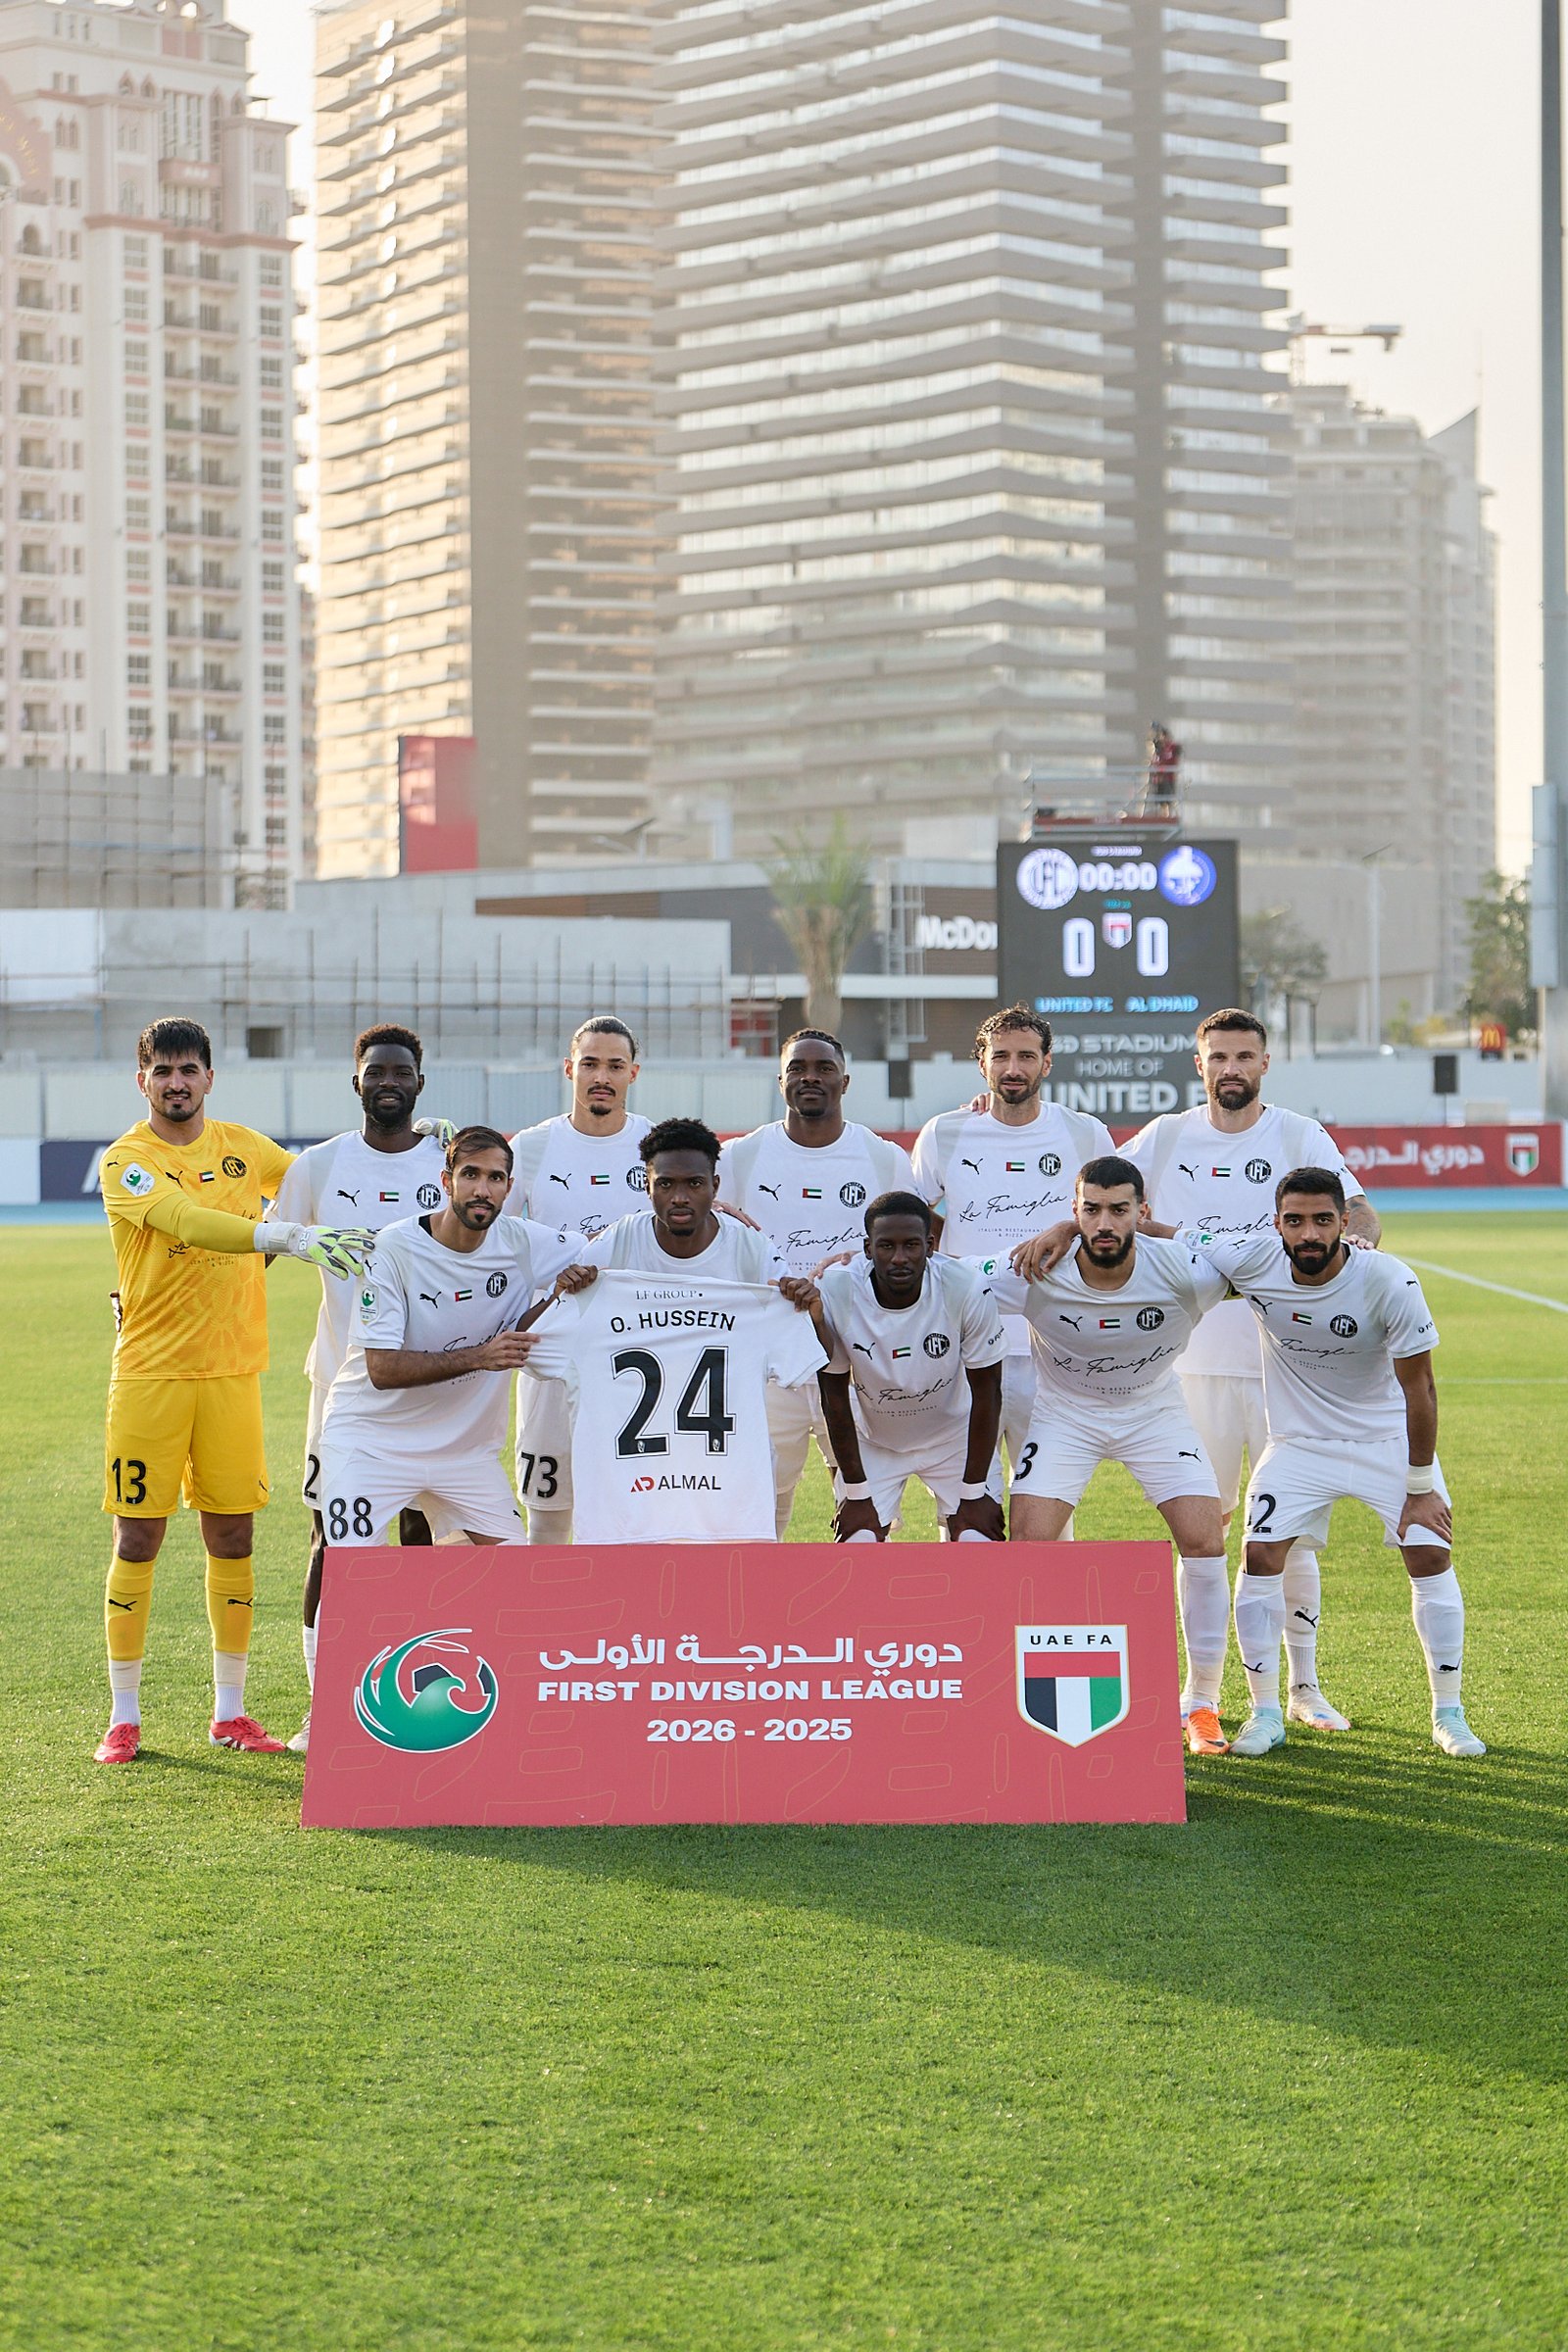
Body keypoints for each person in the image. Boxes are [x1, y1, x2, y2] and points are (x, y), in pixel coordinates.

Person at [94, 1016, 371, 1764]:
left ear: (210, 1078)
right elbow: (186, 1221)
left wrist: (420, 1149)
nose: (176, 1083)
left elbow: (323, 1177)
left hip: (232, 1373)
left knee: (234, 1536)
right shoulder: (127, 1160)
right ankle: (124, 1716)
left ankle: (230, 1712)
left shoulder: (245, 1147)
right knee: (138, 1538)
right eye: (163, 1071)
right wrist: (281, 1235)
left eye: (189, 1069)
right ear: (143, 1081)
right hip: (150, 1376)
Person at [1121, 1007, 1380, 1733]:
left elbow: (1360, 1212)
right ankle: (1200, 1692)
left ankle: (1305, 1687)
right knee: (1201, 1532)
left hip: (1287, 1371)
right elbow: (1097, 1183)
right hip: (1192, 1366)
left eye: (1244, 1056)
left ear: (1265, 1063)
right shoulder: (1167, 1136)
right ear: (1198, 1064)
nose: (1230, 1069)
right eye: (1218, 1057)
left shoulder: (1298, 1134)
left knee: (1286, 1532)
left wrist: (1359, 1252)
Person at [1176, 1168, 1485, 1761]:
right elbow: (1170, 1232)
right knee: (1260, 1555)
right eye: (1295, 1221)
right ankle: (1267, 1713)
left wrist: (1420, 1486)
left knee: (1430, 1552)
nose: (1309, 1234)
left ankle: (1449, 1713)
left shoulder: (1389, 1279)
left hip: (1383, 1440)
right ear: (1277, 1224)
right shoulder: (1255, 1259)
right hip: (1299, 1444)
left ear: (1345, 1222)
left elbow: (1420, 1388)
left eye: (1322, 1220)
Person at [990, 1156, 1236, 1755]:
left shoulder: (1182, 1270)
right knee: (1028, 1544)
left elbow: (1260, 1262)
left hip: (1154, 1413)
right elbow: (935, 1275)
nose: (1105, 1224)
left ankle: (1202, 1703)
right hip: (1065, 1415)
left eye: (1119, 1210)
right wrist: (844, 1269)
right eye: (1091, 1211)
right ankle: (1018, 1694)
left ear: (1142, 1213)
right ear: (1074, 1212)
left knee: (1205, 1539)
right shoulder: (1034, 1268)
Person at [268, 1023, 450, 1752]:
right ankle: (326, 1707)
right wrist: (294, 1239)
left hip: (429, 1386)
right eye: (376, 1072)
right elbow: (260, 1248)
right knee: (332, 1539)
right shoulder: (318, 1166)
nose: (388, 1083)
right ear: (357, 1083)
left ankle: (417, 1697)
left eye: (401, 1072)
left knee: (420, 1535)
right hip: (341, 1388)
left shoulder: (448, 1162)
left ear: (419, 1083)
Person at [523, 1118, 830, 1544]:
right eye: (665, 1184)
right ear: (646, 1185)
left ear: (715, 1186)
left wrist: (811, 1312)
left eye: (694, 1183)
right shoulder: (619, 1241)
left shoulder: (748, 1247)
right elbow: (528, 1342)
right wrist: (559, 1295)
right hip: (631, 1484)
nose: (680, 1197)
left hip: (721, 1480)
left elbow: (816, 1352)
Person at [316, 1127, 580, 1546]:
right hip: (370, 1444)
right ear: (446, 1181)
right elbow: (382, 1369)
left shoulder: (523, 1242)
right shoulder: (392, 1248)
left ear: (509, 1187)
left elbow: (604, 1250)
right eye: (470, 1174)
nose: (482, 1190)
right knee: (355, 1571)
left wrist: (560, 1293)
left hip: (464, 1454)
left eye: (495, 1178)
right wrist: (481, 1356)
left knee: (514, 1571)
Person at [718, 1031, 914, 1535]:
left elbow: (913, 1251)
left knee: (866, 1507)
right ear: (780, 1080)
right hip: (764, 1361)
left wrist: (865, 1259)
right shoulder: (738, 1157)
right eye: (797, 1068)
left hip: (856, 1357)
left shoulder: (884, 1159)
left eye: (824, 1068)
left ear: (844, 1082)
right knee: (757, 1505)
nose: (810, 1077)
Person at [912, 1003, 1111, 1483]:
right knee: (964, 1496)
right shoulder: (944, 1132)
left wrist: (1069, 1230)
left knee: (1046, 1492)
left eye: (1026, 1056)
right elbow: (911, 1220)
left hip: (1054, 1346)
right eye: (1000, 1056)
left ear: (1047, 1063)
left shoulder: (1085, 1133)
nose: (1013, 1069)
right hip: (964, 1344)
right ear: (981, 1063)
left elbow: (1116, 1219)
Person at [504, 1015, 651, 1545]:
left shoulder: (656, 1145)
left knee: (633, 1510)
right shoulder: (531, 1147)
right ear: (569, 1069)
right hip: (552, 1346)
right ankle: (544, 1600)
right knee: (548, 1510)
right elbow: (495, 1237)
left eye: (614, 1065)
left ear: (633, 1072)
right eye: (590, 1064)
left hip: (639, 1348)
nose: (601, 1077)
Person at [816, 1193, 1005, 1544]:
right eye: (886, 1246)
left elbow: (988, 1392)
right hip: (876, 1442)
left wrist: (974, 1491)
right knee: (858, 1542)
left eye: (912, 1245)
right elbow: (833, 1396)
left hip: (955, 1440)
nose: (899, 1258)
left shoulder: (965, 1286)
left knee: (977, 1540)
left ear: (930, 1246)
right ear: (868, 1248)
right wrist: (856, 1494)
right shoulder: (837, 1288)